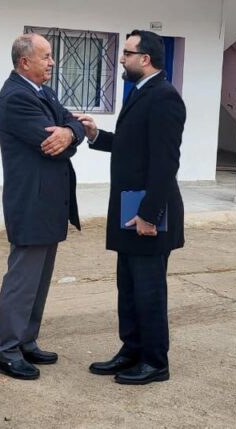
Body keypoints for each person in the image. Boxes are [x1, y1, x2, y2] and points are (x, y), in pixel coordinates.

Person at [79, 30, 186, 385]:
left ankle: (154, 362)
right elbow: (132, 145)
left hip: (148, 212)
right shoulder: (141, 92)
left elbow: (165, 162)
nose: (121, 59)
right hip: (129, 208)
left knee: (148, 291)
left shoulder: (165, 98)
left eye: (127, 53)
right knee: (129, 287)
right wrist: (96, 135)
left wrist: (148, 214)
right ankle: (131, 350)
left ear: (146, 59)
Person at [0, 33, 86, 380]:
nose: (52, 62)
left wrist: (70, 132)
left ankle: (26, 341)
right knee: (23, 280)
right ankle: (7, 351)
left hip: (49, 203)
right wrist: (69, 137)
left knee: (40, 280)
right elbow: (54, 145)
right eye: (45, 56)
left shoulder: (43, 92)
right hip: (31, 202)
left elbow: (72, 124)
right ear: (24, 62)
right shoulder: (16, 97)